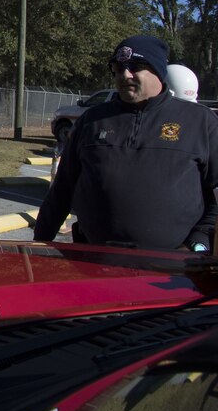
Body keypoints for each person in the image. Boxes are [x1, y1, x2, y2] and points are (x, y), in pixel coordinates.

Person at [33, 35, 218, 252]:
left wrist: (199, 241)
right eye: (118, 68)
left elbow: (215, 195)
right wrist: (37, 245)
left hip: (173, 270)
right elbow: (61, 191)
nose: (125, 74)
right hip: (93, 262)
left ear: (158, 70)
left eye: (136, 66)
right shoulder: (92, 121)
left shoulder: (200, 122)